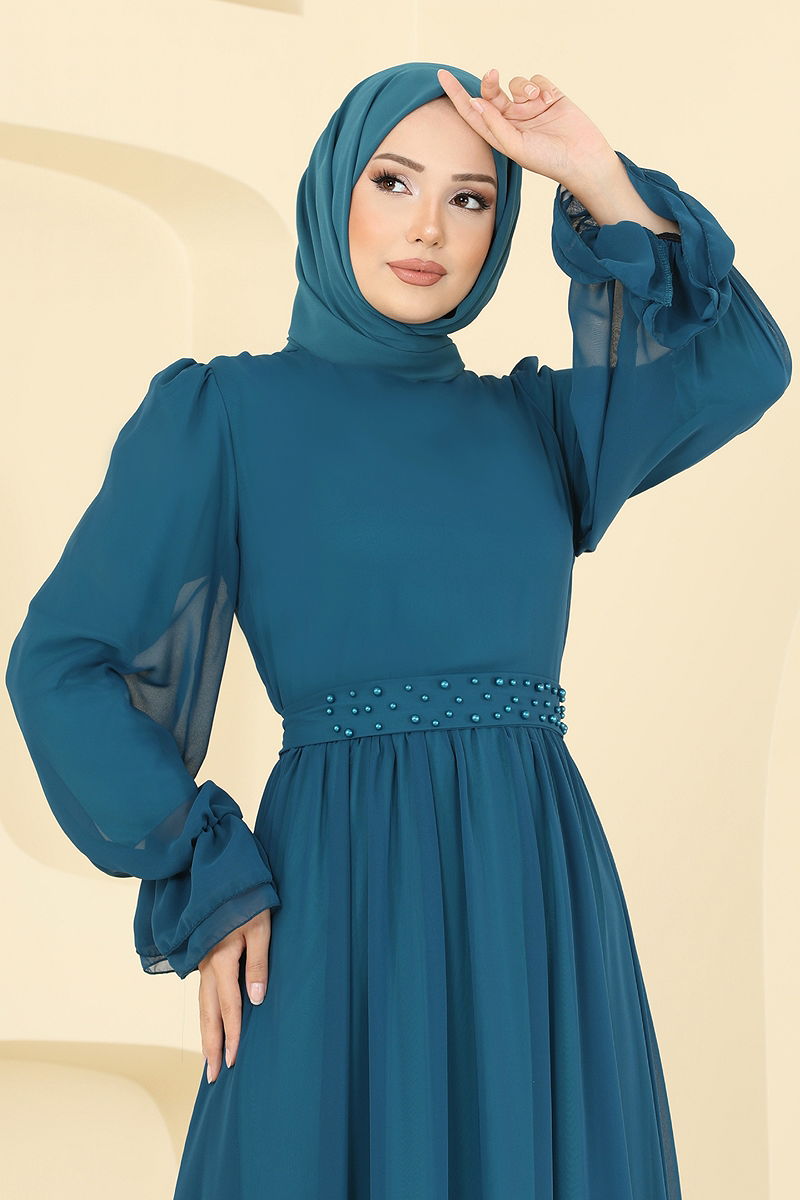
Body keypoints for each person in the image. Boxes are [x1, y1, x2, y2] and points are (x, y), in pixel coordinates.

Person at [5, 59, 791, 1200]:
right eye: (394, 181)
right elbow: (62, 663)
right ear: (335, 191)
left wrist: (591, 172)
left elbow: (743, 363)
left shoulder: (543, 427)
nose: (429, 228)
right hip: (336, 897)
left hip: (532, 900)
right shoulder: (224, 414)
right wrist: (205, 869)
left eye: (471, 198)